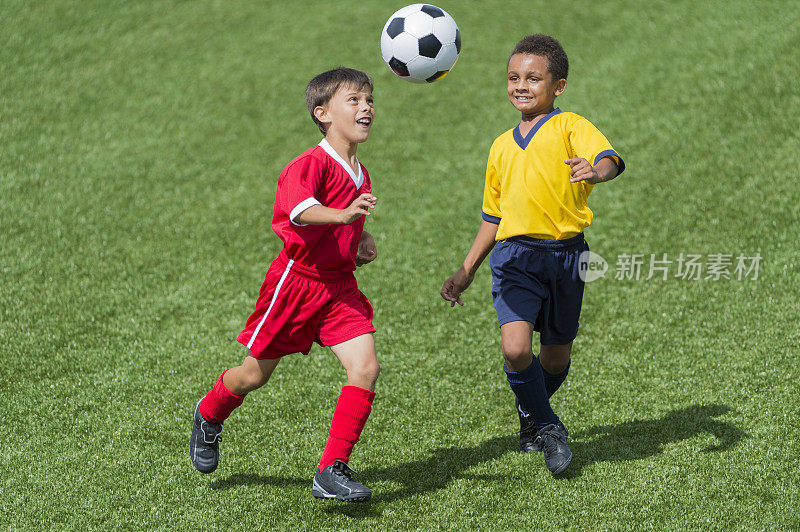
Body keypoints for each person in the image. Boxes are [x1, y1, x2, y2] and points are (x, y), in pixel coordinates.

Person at [190, 67, 381, 502]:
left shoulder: (359, 171)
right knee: (253, 376)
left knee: (364, 367)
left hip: (339, 288)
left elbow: (343, 223)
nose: (366, 107)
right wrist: (343, 216)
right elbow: (299, 211)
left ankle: (331, 469)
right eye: (353, 100)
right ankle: (209, 413)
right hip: (296, 286)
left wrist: (359, 241)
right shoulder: (308, 164)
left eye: (369, 100)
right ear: (323, 113)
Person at [440, 34, 625, 476]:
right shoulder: (501, 146)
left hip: (567, 256)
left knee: (556, 357)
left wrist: (594, 173)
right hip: (515, 257)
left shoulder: (570, 126)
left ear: (558, 86)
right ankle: (548, 427)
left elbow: (610, 159)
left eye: (533, 78)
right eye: (513, 78)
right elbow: (492, 217)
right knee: (516, 346)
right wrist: (466, 270)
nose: (521, 86)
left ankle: (530, 415)